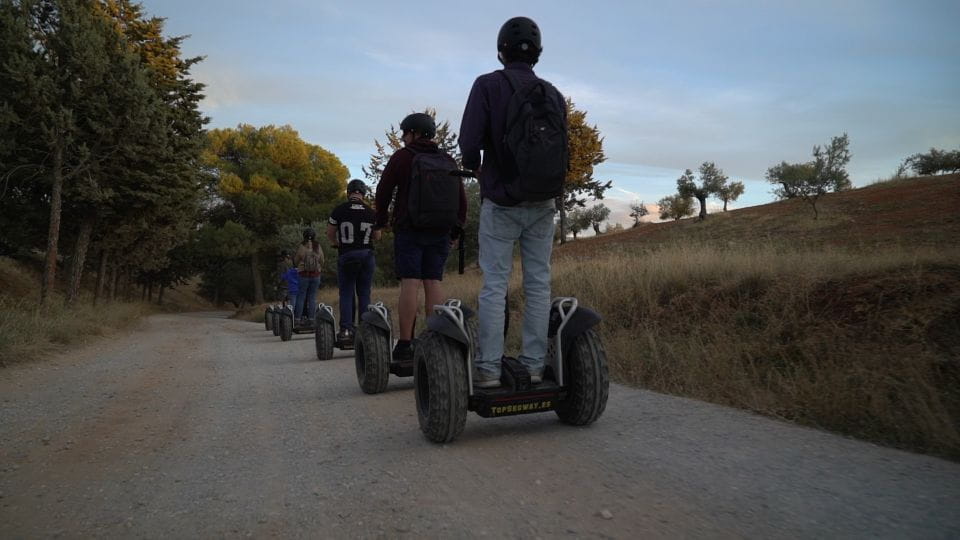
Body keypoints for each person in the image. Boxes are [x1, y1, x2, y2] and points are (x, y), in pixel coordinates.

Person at [459, 16, 567, 388]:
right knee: (539, 283)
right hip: (542, 202)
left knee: (495, 284)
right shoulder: (551, 93)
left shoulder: (487, 85)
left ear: (501, 50)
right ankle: (535, 366)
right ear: (537, 54)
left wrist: (475, 167)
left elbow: (469, 144)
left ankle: (489, 370)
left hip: (502, 200)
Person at [374, 112, 467, 364]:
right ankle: (434, 341)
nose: (403, 139)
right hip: (440, 231)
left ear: (413, 133)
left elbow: (383, 191)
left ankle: (405, 344)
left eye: (404, 134)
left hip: (410, 229)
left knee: (410, 282)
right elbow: (461, 198)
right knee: (433, 282)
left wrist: (380, 222)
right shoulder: (447, 159)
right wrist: (456, 230)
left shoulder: (402, 157)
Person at [327, 179, 380, 345]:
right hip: (366, 254)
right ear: (363, 194)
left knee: (347, 293)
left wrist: (336, 243)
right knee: (364, 293)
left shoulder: (339, 210)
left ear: (348, 193)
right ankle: (364, 329)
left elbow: (330, 233)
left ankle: (346, 330)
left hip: (347, 254)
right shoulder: (371, 212)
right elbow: (377, 236)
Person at [294, 228, 323, 325]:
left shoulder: (301, 246)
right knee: (312, 297)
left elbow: (296, 260)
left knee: (301, 296)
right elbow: (322, 260)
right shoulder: (317, 246)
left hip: (303, 275)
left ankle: (297, 319)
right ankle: (311, 319)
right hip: (315, 275)